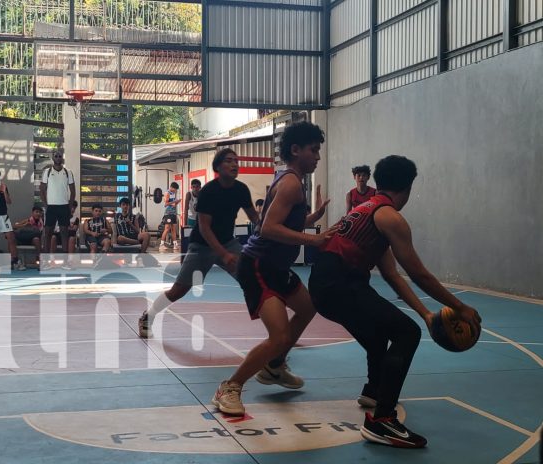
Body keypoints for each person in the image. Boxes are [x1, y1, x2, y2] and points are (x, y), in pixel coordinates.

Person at [308, 155, 481, 448]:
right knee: (406, 332)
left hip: (324, 284)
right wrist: (462, 307)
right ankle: (382, 421)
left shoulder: (368, 210)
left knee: (380, 335)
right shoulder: (390, 217)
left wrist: (426, 313)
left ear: (378, 181)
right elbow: (419, 274)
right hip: (341, 283)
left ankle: (374, 392)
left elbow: (392, 275)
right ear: (408, 186)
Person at [212, 121, 334, 416]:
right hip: (259, 266)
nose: (318, 156)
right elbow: (268, 228)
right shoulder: (291, 182)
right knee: (278, 336)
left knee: (307, 308)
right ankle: (230, 386)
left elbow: (285, 221)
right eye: (313, 150)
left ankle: (275, 366)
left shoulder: (290, 179)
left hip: (277, 266)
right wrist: (313, 239)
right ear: (296, 150)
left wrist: (313, 216)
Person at [139, 148, 259, 338]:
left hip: (228, 243)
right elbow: (204, 228)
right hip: (202, 246)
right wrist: (224, 254)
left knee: (253, 279)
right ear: (218, 166)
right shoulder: (208, 192)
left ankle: (278, 332)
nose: (235, 164)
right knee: (180, 289)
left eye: (236, 160)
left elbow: (255, 217)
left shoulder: (241, 190)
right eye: (229, 160)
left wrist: (279, 224)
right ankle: (148, 316)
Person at [40, 151, 76, 257]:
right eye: (56, 156)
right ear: (53, 158)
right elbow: (42, 190)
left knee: (64, 233)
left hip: (64, 206)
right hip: (51, 207)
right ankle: (46, 260)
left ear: (62, 158)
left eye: (60, 156)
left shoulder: (68, 172)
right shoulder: (46, 172)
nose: (58, 158)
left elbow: (73, 191)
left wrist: (69, 207)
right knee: (48, 233)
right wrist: (46, 205)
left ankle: (65, 261)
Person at [159, 182, 180, 250]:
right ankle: (161, 244)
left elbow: (173, 204)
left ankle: (175, 244)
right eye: (175, 189)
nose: (175, 190)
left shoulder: (173, 193)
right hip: (168, 213)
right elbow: (166, 204)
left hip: (173, 213)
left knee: (173, 229)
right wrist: (174, 202)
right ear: (172, 187)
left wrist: (177, 202)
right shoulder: (167, 193)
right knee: (167, 228)